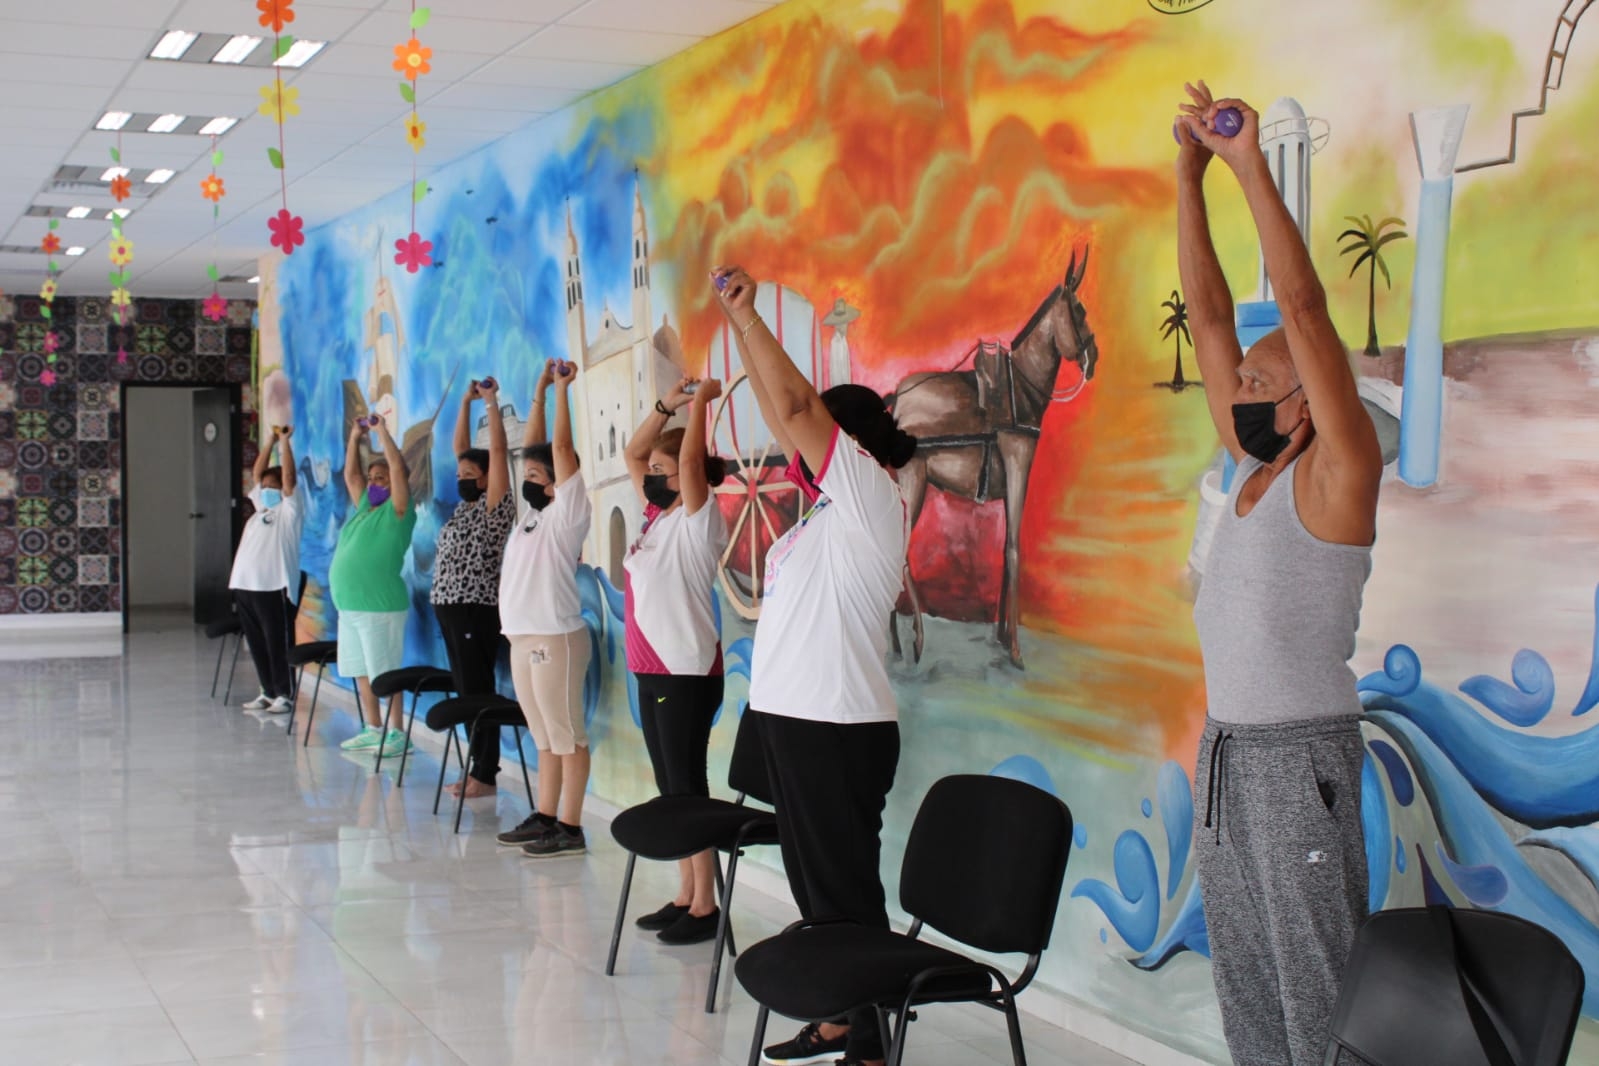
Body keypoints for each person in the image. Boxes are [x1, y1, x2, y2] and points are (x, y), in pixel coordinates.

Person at [1177, 83, 1382, 1066]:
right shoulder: (1256, 469)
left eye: (1261, 384)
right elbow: (1211, 318)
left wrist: (1248, 164)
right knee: (1250, 990)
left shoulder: (1340, 475)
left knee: (1319, 999)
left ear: (1311, 397)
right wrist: (1187, 177)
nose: (1240, 391)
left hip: (1300, 761)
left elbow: (1300, 306)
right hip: (1225, 754)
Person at [712, 266, 917, 1066]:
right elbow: (781, 409)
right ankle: (840, 1017)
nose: (798, 448)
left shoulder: (870, 495)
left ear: (852, 445)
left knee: (841, 893)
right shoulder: (828, 514)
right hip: (797, 721)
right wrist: (739, 330)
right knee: (818, 889)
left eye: (817, 441)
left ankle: (868, 1039)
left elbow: (797, 410)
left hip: (836, 726)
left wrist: (750, 317)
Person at [621, 375, 731, 946]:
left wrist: (699, 407)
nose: (653, 476)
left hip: (684, 672)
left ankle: (707, 906)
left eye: (663, 472)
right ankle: (687, 892)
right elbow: (634, 452)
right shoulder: (658, 522)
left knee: (687, 789)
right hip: (652, 669)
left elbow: (688, 469)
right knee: (670, 790)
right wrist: (667, 405)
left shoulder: (696, 519)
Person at [494, 360, 594, 858]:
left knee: (567, 734)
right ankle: (547, 814)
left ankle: (571, 827)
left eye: (535, 476)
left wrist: (560, 391)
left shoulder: (567, 513)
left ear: (559, 480)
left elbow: (555, 450)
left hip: (557, 637)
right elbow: (534, 450)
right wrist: (536, 392)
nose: (525, 481)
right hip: (523, 636)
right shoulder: (530, 518)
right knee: (544, 734)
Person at [432, 377, 517, 798]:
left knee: (476, 690)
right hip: (450, 608)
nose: (462, 477)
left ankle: (484, 773)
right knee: (465, 689)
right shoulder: (464, 507)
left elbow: (496, 452)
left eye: (470, 473)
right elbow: (460, 449)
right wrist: (464, 403)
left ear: (486, 480)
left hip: (474, 609)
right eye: (461, 473)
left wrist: (491, 402)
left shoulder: (494, 507)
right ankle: (476, 768)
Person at [328, 416, 418, 758]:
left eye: (381, 479)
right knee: (360, 669)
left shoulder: (399, 510)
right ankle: (373, 727)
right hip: (349, 606)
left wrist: (381, 433)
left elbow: (397, 469)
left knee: (386, 672)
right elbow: (351, 476)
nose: (374, 483)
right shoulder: (366, 507)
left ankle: (397, 732)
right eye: (372, 479)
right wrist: (354, 438)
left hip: (380, 606)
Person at [231, 425, 304, 713]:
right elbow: (255, 473)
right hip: (245, 585)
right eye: (266, 487)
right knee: (257, 642)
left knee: (277, 641)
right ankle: (267, 691)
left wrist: (285, 443)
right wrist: (270, 440)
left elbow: (287, 478)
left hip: (274, 586)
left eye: (274, 488)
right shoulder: (260, 509)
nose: (268, 490)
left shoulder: (288, 512)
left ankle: (284, 693)